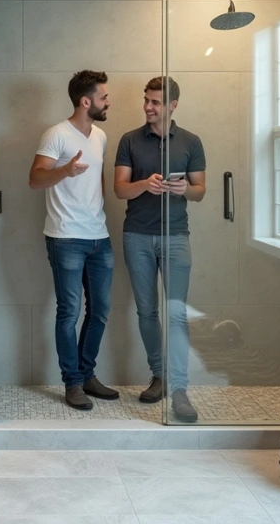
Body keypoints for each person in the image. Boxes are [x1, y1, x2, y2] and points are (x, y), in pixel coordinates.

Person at [113, 76, 206, 422]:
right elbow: (120, 189)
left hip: (176, 236)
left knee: (177, 313)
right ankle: (159, 376)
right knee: (146, 312)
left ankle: (180, 390)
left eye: (155, 102)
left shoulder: (191, 141)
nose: (148, 107)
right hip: (137, 236)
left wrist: (184, 190)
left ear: (172, 105)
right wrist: (144, 184)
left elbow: (200, 191)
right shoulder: (129, 140)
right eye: (147, 100)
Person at [28, 69, 119, 411]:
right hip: (66, 237)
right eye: (103, 97)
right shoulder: (56, 134)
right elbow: (35, 179)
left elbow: (98, 180)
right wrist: (65, 170)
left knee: (100, 311)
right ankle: (73, 382)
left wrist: (99, 211)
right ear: (85, 101)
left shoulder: (101, 136)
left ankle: (87, 374)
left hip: (99, 237)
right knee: (69, 312)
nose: (108, 101)